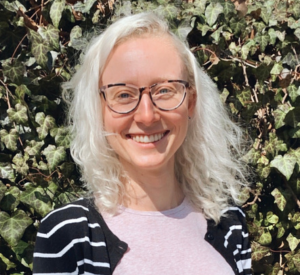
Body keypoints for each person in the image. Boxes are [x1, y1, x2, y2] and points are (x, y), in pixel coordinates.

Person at [33, 13, 252, 275]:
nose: (147, 116)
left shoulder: (228, 222)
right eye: (123, 94)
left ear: (191, 101)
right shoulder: (69, 234)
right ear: (98, 109)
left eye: (165, 90)